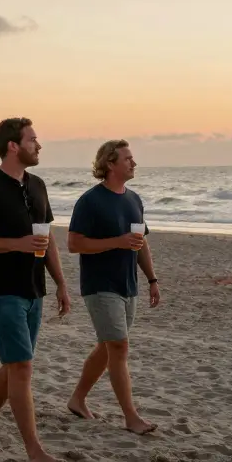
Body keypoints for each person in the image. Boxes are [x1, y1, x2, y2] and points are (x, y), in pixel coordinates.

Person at [0, 117, 71, 462]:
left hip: (34, 288)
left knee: (14, 366)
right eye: (33, 140)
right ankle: (34, 451)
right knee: (21, 367)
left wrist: (61, 283)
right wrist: (15, 244)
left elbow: (47, 236)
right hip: (0, 290)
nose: (39, 146)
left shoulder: (37, 185)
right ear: (13, 146)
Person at [65, 139, 161, 435]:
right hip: (99, 284)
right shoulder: (90, 201)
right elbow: (73, 243)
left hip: (127, 284)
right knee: (118, 346)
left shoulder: (134, 200)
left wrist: (152, 279)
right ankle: (131, 418)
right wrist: (116, 242)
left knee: (108, 348)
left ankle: (77, 399)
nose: (134, 163)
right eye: (128, 159)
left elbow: (141, 242)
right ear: (110, 163)